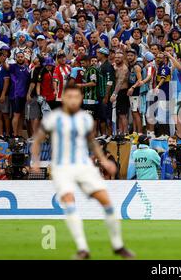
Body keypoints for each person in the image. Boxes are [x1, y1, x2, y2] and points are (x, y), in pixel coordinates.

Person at [31, 84, 134, 260]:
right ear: (63, 98)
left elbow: (91, 142)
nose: (72, 100)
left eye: (76, 97)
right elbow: (37, 140)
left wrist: (103, 161)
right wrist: (36, 161)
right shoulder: (53, 118)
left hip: (84, 166)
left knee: (107, 203)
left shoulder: (85, 119)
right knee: (70, 203)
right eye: (69, 97)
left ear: (80, 99)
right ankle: (82, 248)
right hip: (61, 167)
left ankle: (117, 245)